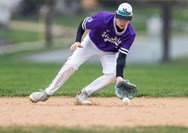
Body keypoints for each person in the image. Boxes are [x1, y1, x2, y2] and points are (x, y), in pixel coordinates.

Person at [29, 2, 136, 105]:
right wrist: (77, 41)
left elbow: (121, 57)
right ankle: (46, 93)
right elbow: (83, 24)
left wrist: (119, 77)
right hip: (91, 43)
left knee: (113, 74)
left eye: (126, 19)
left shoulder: (130, 34)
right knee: (71, 64)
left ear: (130, 19)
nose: (122, 21)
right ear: (116, 15)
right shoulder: (103, 19)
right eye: (120, 17)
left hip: (110, 52)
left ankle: (84, 94)